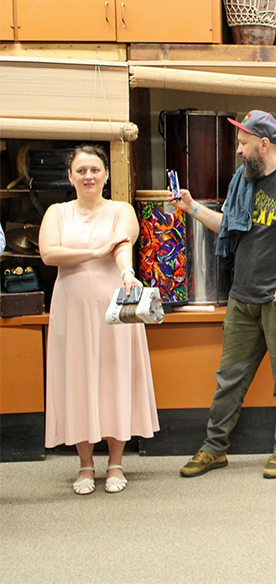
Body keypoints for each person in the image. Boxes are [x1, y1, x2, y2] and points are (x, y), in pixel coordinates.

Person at [172, 110, 276, 479]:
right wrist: (193, 208)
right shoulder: (242, 181)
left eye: (243, 144)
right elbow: (229, 226)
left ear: (264, 144)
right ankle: (214, 448)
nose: (238, 151)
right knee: (229, 378)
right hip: (242, 298)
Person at [39, 144, 159, 495]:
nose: (88, 176)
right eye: (81, 170)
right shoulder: (56, 212)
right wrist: (94, 253)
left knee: (115, 377)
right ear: (70, 176)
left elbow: (124, 244)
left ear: (106, 174)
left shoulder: (121, 210)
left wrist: (126, 273)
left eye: (95, 169)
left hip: (113, 307)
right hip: (72, 308)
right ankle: (86, 465)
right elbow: (49, 253)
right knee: (77, 378)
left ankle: (117, 463)